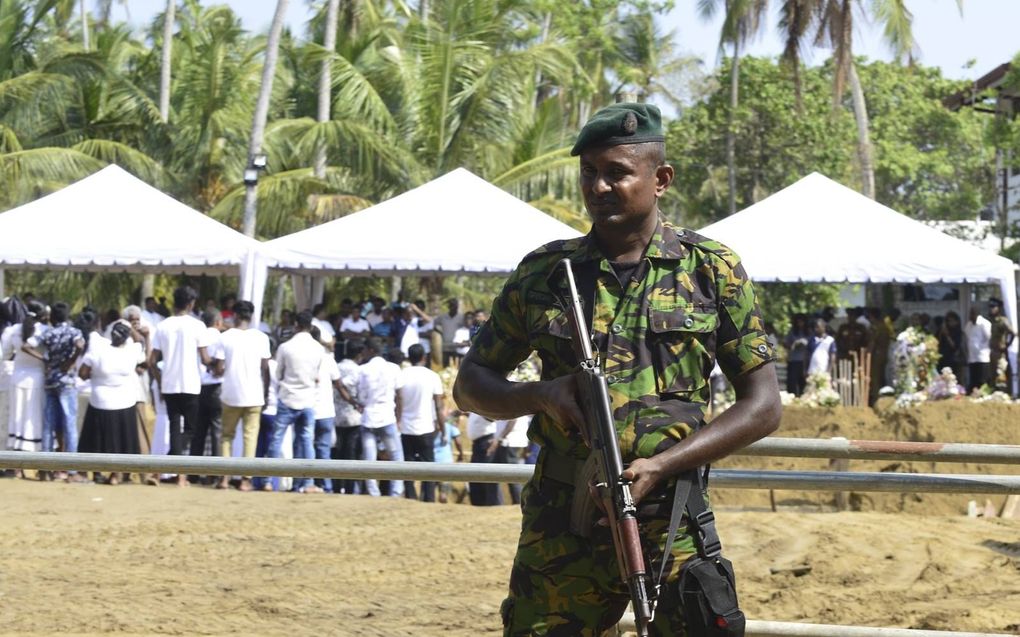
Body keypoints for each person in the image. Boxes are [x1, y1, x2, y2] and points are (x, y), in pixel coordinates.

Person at [453, 103, 781, 636]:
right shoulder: (545, 275)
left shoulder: (711, 269)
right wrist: (542, 394)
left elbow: (763, 407)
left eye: (617, 173)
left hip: (671, 521)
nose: (599, 186)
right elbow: (471, 385)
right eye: (589, 172)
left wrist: (665, 464)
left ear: (661, 179)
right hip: (564, 524)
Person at [149, 286, 216, 486]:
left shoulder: (163, 325)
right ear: (191, 304)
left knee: (174, 427)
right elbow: (205, 359)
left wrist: (160, 382)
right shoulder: (197, 326)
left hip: (169, 383)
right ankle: (177, 473)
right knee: (190, 429)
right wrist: (217, 363)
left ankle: (166, 470)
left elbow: (152, 361)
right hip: (191, 383)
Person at [78, 322, 146, 485]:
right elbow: (141, 342)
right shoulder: (131, 352)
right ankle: (116, 475)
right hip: (124, 402)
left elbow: (82, 374)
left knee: (96, 440)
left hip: (100, 401)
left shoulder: (98, 350)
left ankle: (95, 473)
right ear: (125, 338)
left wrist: (96, 376)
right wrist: (132, 330)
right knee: (121, 440)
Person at [215, 301, 271, 491]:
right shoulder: (262, 337)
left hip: (231, 393)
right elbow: (266, 369)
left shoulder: (226, 337)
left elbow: (220, 367)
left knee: (226, 437)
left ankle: (224, 478)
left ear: (235, 316)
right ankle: (246, 480)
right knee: (250, 437)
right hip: (254, 393)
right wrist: (266, 392)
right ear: (252, 316)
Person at [272, 310, 321, 493]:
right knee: (307, 441)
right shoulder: (318, 348)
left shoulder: (285, 347)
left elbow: (278, 374)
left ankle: (270, 481)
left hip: (288, 398)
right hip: (308, 399)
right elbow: (316, 375)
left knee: (276, 440)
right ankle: (308, 483)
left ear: (296, 325)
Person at [352, 337, 404, 497]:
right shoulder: (394, 368)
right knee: (396, 455)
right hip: (387, 416)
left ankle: (373, 492)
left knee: (369, 457)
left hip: (369, 417)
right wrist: (399, 418)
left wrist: (361, 405)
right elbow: (400, 396)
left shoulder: (363, 369)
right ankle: (396, 491)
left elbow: (360, 395)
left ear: (371, 351)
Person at [396, 343, 445, 502]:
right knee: (428, 466)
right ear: (424, 357)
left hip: (405, 427)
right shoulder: (432, 376)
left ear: (409, 358)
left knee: (408, 464)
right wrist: (443, 428)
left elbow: (398, 401)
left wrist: (398, 421)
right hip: (426, 427)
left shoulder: (402, 374)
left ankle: (411, 496)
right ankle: (428, 498)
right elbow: (438, 405)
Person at [39, 302, 85, 470]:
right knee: (70, 424)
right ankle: (71, 468)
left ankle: (45, 467)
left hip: (50, 380)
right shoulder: (74, 332)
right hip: (66, 381)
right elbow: (80, 345)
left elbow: (31, 346)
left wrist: (46, 361)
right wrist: (72, 361)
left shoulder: (48, 333)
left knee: (48, 424)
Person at [6, 302, 48, 457]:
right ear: (43, 315)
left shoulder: (13, 330)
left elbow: (5, 353)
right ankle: (34, 453)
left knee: (17, 416)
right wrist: (45, 360)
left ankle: (16, 455)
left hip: (17, 377)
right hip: (37, 378)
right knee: (33, 417)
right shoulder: (44, 330)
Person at [309, 325, 342, 494]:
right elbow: (339, 384)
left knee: (306, 448)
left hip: (307, 409)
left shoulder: (304, 355)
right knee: (324, 451)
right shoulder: (328, 358)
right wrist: (352, 401)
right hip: (326, 411)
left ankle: (307, 483)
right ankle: (326, 486)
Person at [192, 310, 225, 472]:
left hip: (199, 386)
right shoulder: (221, 337)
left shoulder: (200, 335)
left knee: (199, 431)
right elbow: (221, 364)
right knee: (217, 431)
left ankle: (194, 472)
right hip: (217, 386)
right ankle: (216, 472)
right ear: (218, 322)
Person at [332, 342, 364, 495]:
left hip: (336, 416)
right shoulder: (358, 370)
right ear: (359, 355)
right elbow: (350, 388)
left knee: (338, 453)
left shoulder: (337, 366)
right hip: (354, 417)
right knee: (351, 454)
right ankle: (350, 488)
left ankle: (337, 486)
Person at [490, 414, 531, 505]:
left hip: (508, 443)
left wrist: (499, 438)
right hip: (507, 443)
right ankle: (498, 503)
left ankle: (519, 503)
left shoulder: (514, 403)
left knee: (513, 477)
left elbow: (513, 420)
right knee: (494, 474)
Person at [465, 411, 501, 506]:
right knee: (474, 476)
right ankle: (479, 505)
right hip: (477, 444)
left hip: (486, 443)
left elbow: (491, 417)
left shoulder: (481, 406)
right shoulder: (474, 408)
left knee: (488, 476)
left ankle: (494, 505)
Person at [433, 413, 465, 503]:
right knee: (444, 491)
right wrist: (461, 455)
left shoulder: (430, 427)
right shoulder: (450, 426)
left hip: (432, 462)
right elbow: (458, 443)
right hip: (446, 462)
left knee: (430, 489)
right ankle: (444, 507)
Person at [987, 298, 1016, 392]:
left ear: (998, 308)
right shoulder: (992, 320)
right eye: (990, 307)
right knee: (993, 374)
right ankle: (994, 392)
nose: (991, 309)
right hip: (993, 351)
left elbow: (1013, 333)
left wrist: (1007, 345)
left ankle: (1004, 392)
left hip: (1000, 352)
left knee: (1001, 373)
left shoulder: (1003, 321)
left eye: (993, 307)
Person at [964, 307, 992, 393]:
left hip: (982, 356)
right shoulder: (969, 324)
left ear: (976, 314)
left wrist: (980, 346)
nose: (970, 316)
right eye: (970, 314)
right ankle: (973, 392)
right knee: (973, 377)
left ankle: (982, 393)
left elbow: (988, 337)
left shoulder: (984, 324)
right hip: (972, 356)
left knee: (982, 378)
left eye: (972, 314)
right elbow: (967, 335)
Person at [783, 314, 810, 395]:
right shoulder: (792, 332)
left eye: (801, 322)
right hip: (793, 360)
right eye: (798, 322)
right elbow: (785, 343)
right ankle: (792, 396)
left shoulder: (808, 332)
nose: (800, 324)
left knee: (803, 381)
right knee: (792, 381)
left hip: (804, 360)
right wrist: (793, 345)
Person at [434, 299, 465, 367]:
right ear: (449, 307)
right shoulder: (442, 317)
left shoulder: (461, 317)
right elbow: (434, 324)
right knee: (445, 367)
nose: (454, 308)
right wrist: (440, 332)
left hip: (457, 348)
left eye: (456, 306)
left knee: (457, 368)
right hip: (445, 346)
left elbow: (466, 329)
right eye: (452, 306)